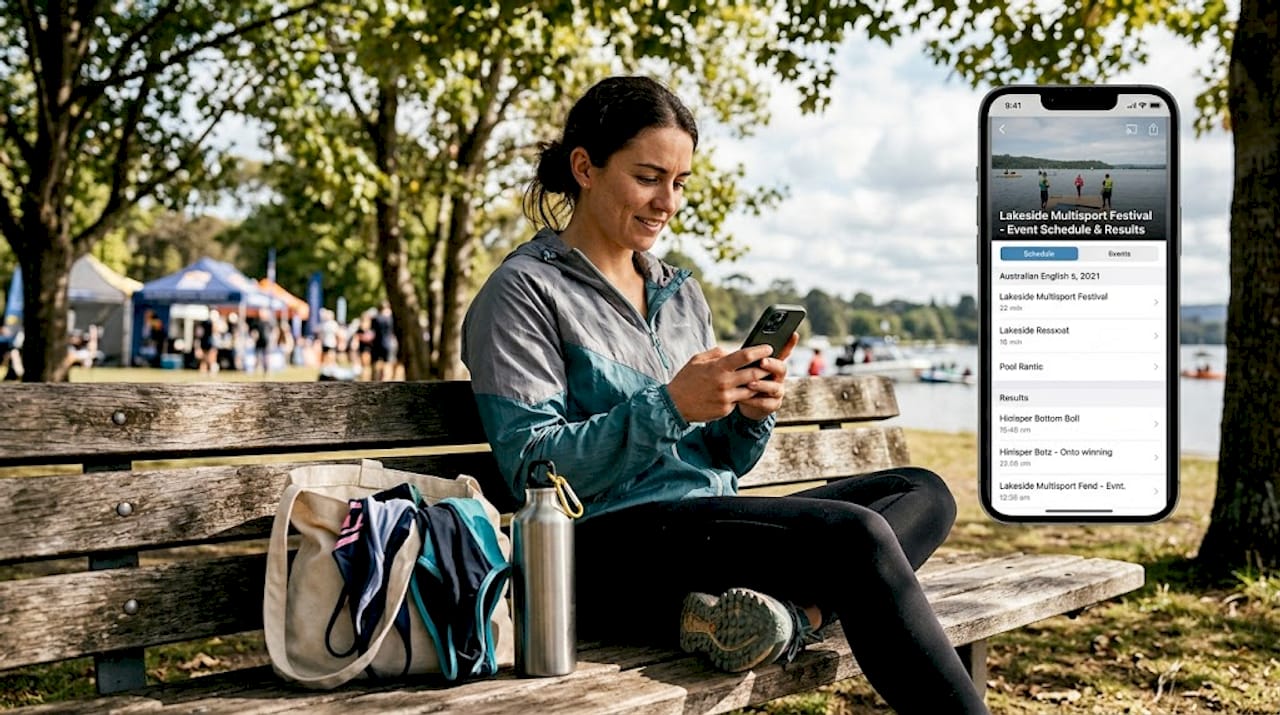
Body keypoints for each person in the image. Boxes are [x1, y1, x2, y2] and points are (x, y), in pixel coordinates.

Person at [461, 76, 987, 714]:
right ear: (585, 168)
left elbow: (722, 461)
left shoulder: (680, 293)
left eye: (679, 183)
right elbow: (533, 469)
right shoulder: (522, 293)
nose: (667, 202)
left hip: (701, 529)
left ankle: (785, 620)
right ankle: (800, 621)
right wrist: (671, 405)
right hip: (598, 552)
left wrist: (746, 415)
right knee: (859, 540)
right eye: (649, 177)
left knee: (922, 491)